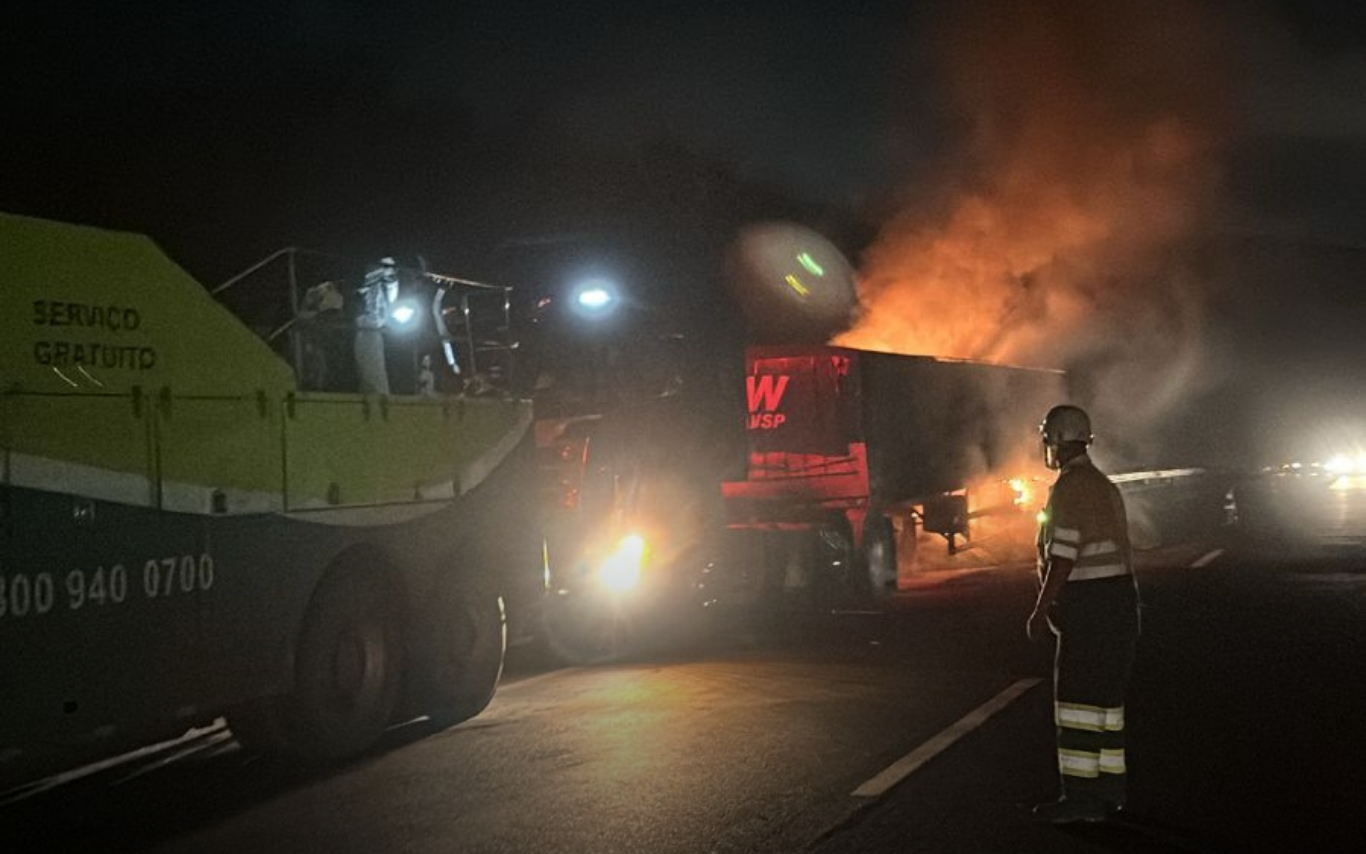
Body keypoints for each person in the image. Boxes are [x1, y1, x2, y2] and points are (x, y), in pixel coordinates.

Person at [1027, 404, 1141, 824]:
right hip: (1119, 607)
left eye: (1048, 440)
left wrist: (1040, 610)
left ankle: (1079, 800)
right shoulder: (1103, 485)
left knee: (1076, 705)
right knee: (1105, 710)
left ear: (1056, 441)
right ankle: (1109, 794)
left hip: (1090, 613)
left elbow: (1062, 557)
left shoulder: (1071, 488)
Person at [355, 257, 399, 394]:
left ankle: (380, 393)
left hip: (376, 329)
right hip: (366, 328)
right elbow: (366, 282)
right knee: (372, 368)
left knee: (377, 367)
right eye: (387, 266)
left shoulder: (383, 286)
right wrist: (384, 271)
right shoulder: (367, 280)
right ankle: (378, 394)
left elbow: (392, 299)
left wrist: (392, 280)